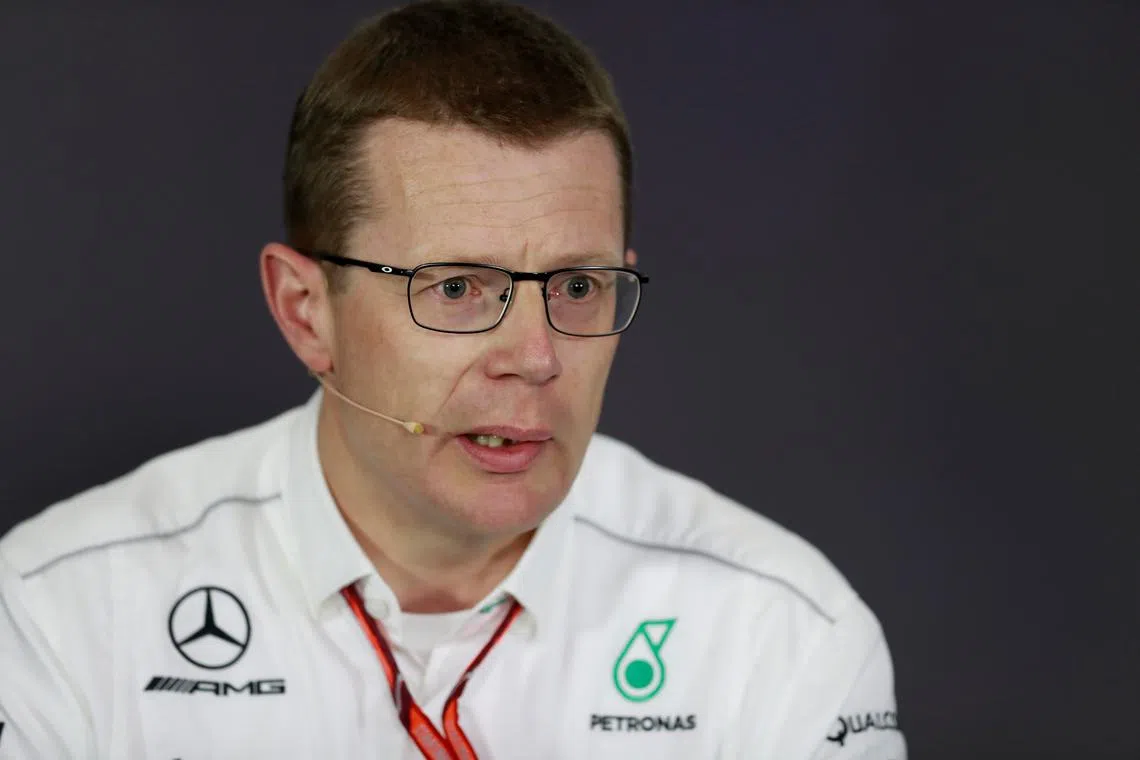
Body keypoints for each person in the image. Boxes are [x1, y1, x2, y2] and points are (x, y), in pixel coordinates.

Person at [0, 1, 907, 758]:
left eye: (579, 286)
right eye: (459, 288)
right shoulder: (55, 620)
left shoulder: (781, 636)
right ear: (305, 310)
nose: (537, 354)